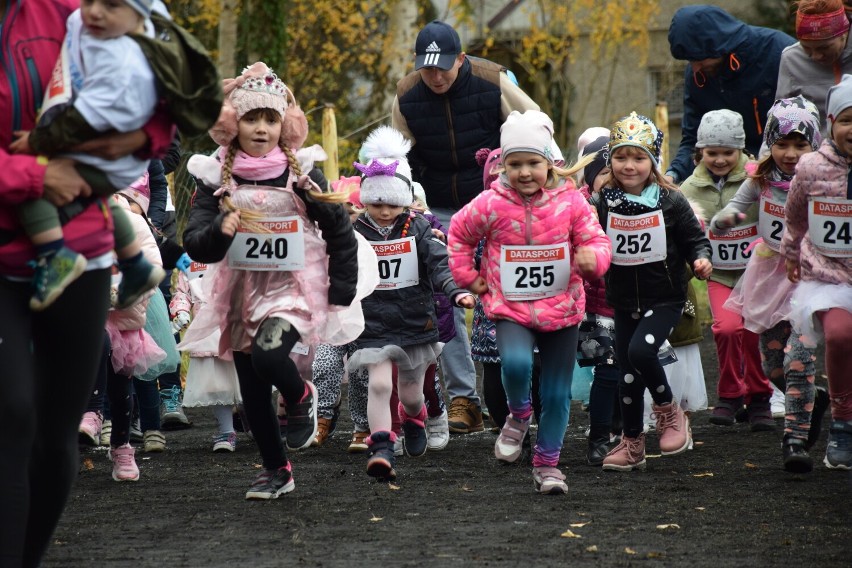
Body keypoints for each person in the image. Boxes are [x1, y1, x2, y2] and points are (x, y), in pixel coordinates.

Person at [0, 0, 175, 563]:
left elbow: (160, 92)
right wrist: (37, 173)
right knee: (11, 410)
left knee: (57, 434)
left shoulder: (78, 10)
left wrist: (131, 142)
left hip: (82, 252)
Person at [179, 62, 373, 499]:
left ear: (285, 123)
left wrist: (341, 287)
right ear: (234, 123)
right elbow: (196, 243)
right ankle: (276, 469)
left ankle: (300, 392)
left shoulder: (301, 171)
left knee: (270, 358)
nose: (262, 128)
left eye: (271, 118)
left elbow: (339, 228)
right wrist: (219, 232)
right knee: (250, 390)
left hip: (292, 290)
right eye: (252, 118)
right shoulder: (215, 176)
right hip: (240, 292)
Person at [9, 0, 220, 311]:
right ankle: (136, 262)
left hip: (109, 156)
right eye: (90, 1)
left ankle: (56, 256)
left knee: (37, 186)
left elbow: (85, 118)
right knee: (103, 200)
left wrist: (39, 141)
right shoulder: (123, 31)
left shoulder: (120, 62)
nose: (95, 12)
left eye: (110, 5)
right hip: (125, 164)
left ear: (138, 13)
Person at [449, 110, 612, 494]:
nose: (524, 172)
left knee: (557, 393)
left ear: (549, 162)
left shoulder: (570, 202)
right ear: (503, 164)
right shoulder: (490, 203)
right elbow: (458, 233)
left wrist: (593, 260)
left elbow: (596, 240)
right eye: (515, 163)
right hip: (511, 307)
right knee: (518, 364)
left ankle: (547, 465)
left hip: (562, 309)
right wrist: (469, 278)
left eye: (533, 163)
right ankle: (519, 415)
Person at [392, 20, 541, 434]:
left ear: (461, 59)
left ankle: (522, 393)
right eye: (427, 69)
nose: (436, 77)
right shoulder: (406, 95)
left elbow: (535, 127)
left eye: (444, 67)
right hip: (438, 206)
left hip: (495, 203)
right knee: (448, 298)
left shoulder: (493, 81)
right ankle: (464, 399)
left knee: (505, 290)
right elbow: (401, 155)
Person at [347, 126, 474, 481]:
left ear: (404, 199)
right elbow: (340, 269)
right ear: (364, 200)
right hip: (373, 323)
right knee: (379, 385)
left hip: (414, 322)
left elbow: (438, 264)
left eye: (391, 203)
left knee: (411, 392)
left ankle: (416, 416)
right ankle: (382, 446)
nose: (384, 211)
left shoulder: (418, 228)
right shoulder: (357, 231)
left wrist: (455, 292)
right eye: (375, 202)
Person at [712, 96, 828, 473]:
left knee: (799, 357)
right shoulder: (761, 178)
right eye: (782, 144)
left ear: (815, 144)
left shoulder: (822, 179)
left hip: (808, 274)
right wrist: (726, 217)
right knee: (773, 364)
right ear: (769, 145)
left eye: (800, 144)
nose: (791, 153)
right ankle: (813, 398)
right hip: (767, 272)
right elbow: (739, 204)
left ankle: (794, 439)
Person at [591, 112, 713, 472]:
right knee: (626, 374)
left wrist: (701, 260)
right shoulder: (603, 202)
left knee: (641, 352)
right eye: (621, 156)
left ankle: (670, 412)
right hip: (623, 298)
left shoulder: (671, 200)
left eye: (639, 157)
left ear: (653, 160)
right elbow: (585, 233)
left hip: (667, 297)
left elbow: (695, 240)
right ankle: (632, 444)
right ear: (610, 159)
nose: (630, 166)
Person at [678, 109, 775, 431]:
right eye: (712, 152)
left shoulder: (756, 179)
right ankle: (730, 394)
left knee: (751, 332)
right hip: (719, 274)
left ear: (740, 150)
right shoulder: (691, 187)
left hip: (755, 273)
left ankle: (759, 396)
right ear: (700, 152)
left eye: (727, 152)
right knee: (726, 329)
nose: (719, 159)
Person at [782, 76, 852, 470]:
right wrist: (792, 254)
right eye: (847, 119)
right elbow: (794, 217)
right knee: (840, 336)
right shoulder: (810, 167)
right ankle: (843, 424)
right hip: (830, 277)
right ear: (830, 123)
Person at [666, 4, 795, 183]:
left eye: (699, 58)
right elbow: (693, 139)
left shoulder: (779, 52)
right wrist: (673, 174)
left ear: (721, 46)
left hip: (784, 170)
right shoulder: (698, 75)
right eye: (690, 60)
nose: (695, 68)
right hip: (727, 175)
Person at [170, 257, 243, 452]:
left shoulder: (235, 251)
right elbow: (183, 292)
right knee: (217, 382)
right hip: (207, 330)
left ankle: (250, 418)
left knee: (244, 377)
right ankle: (227, 430)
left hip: (236, 322)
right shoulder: (191, 260)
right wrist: (181, 310)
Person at [776, 0, 852, 137]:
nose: (816, 56)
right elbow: (780, 120)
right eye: (806, 48)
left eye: (824, 47)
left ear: (844, 34)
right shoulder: (792, 59)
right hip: (816, 155)